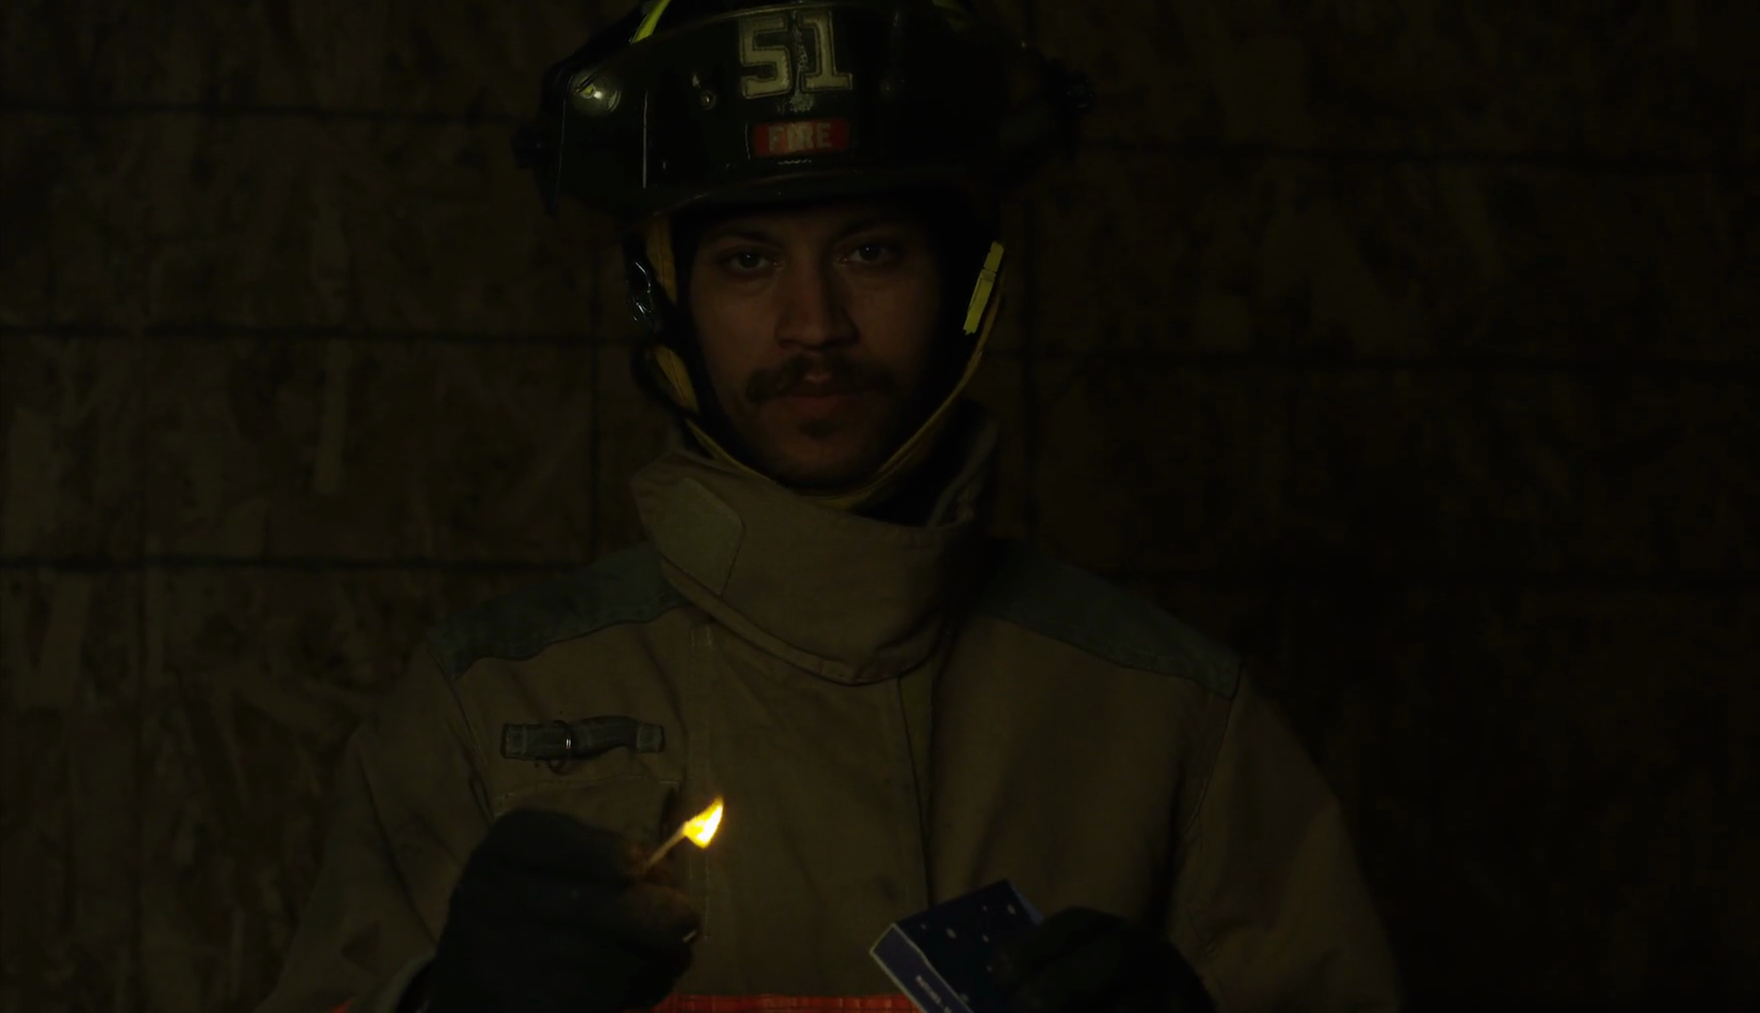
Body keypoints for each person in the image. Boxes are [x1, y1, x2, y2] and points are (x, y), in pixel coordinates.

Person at [258, 1, 1399, 1011]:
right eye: (748, 261)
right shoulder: (482, 703)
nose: (814, 325)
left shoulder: (1171, 719)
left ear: (968, 284)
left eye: (871, 250)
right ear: (665, 296)